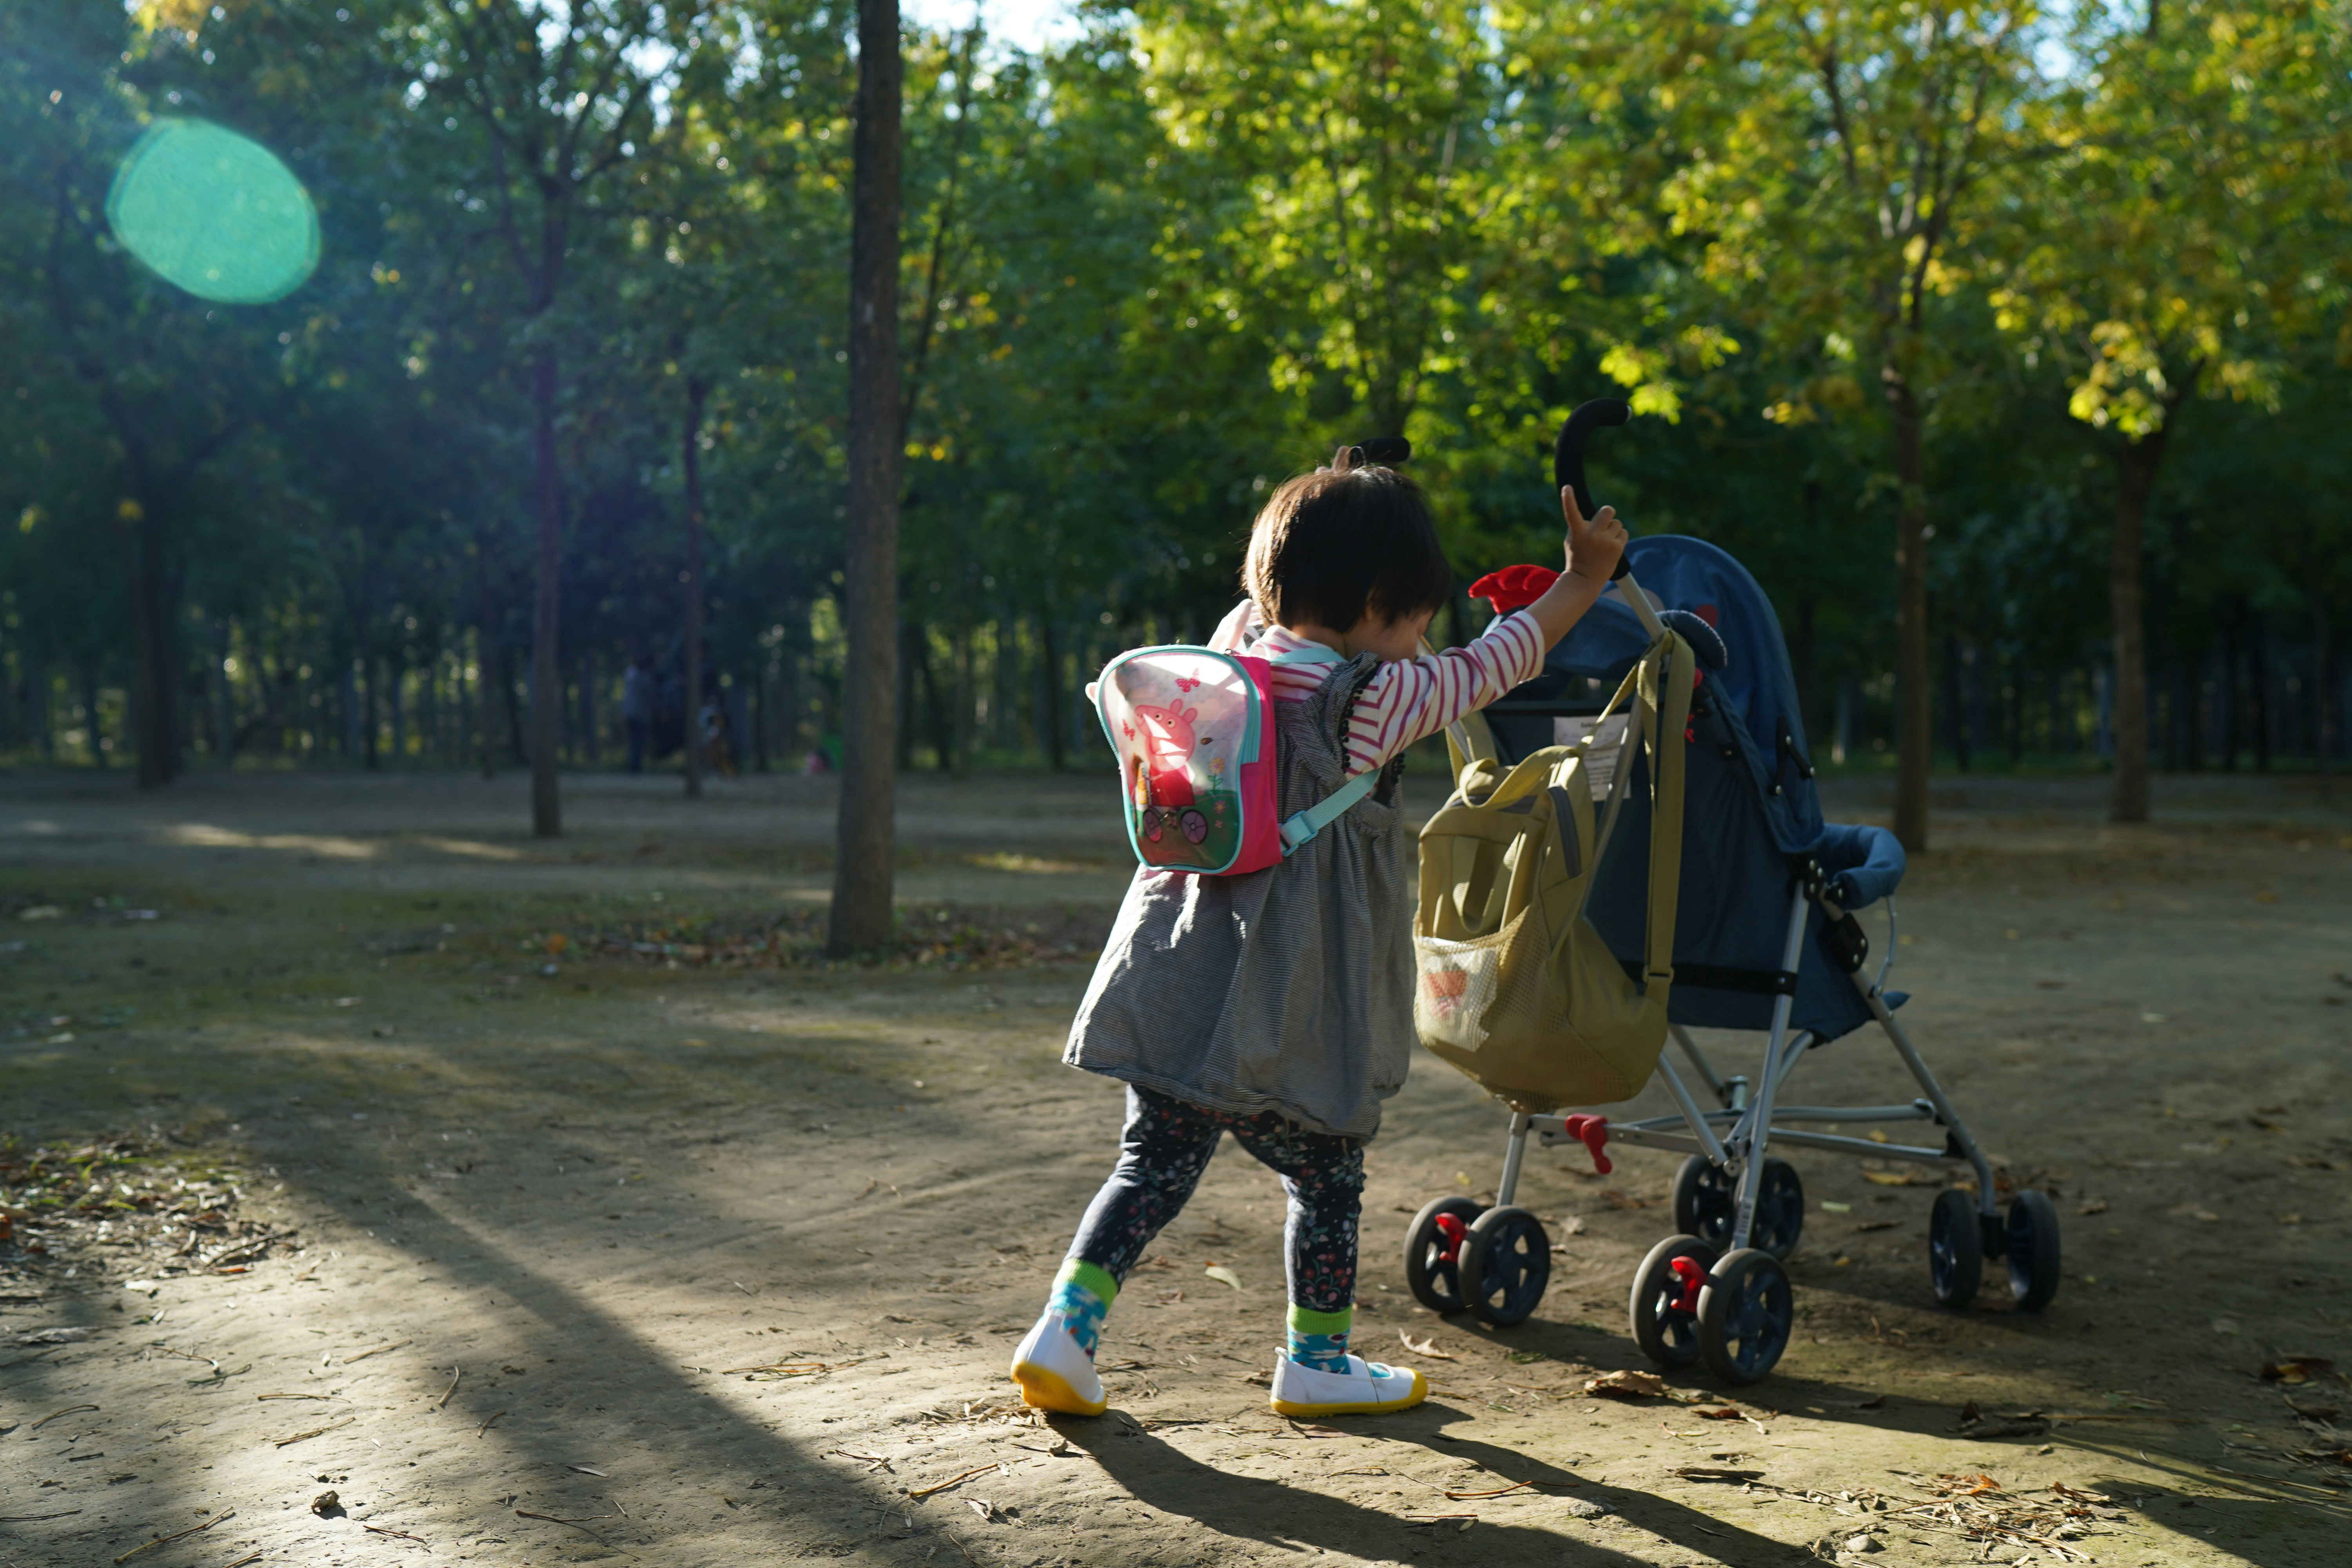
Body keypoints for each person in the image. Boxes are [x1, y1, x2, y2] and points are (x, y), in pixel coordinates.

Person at [1010, 446, 1626, 1421]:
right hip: (1291, 987)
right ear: (1380, 599)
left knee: (1150, 1163)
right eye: (1419, 613)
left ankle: (1062, 1332)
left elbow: (1298, 599)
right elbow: (1505, 658)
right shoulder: (1374, 702)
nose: (1429, 635)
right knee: (1328, 1166)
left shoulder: (1229, 649)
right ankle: (1317, 1360)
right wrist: (1584, 576)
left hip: (1182, 964)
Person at [622, 655, 654, 775]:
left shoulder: (630, 675)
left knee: (633, 741)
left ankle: (633, 767)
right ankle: (636, 768)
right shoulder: (645, 679)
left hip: (629, 713)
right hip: (639, 715)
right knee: (638, 742)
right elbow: (650, 698)